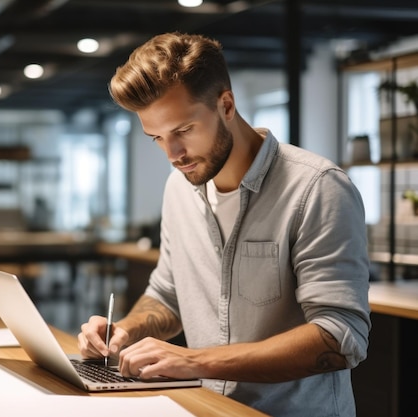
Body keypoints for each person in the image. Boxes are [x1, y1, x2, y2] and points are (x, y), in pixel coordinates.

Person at [78, 32, 371, 416]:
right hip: (206, 408)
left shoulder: (317, 188)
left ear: (226, 105)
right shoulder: (179, 188)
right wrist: (125, 331)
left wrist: (196, 361)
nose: (174, 155)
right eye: (157, 138)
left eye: (183, 131)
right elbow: (167, 295)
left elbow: (340, 337)